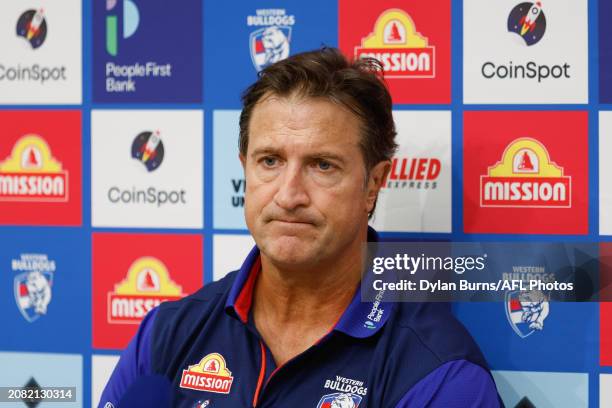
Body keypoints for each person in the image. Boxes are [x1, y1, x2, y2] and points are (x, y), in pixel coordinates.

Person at [99, 47, 502, 408]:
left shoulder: (438, 373)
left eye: (323, 165)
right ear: (246, 169)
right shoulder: (167, 335)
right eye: (270, 161)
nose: (289, 195)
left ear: (374, 184)